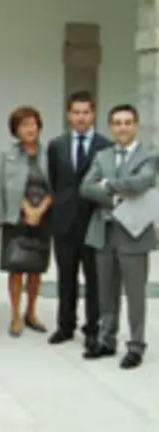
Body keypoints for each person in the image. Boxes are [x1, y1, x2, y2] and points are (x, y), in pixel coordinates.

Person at [80, 104, 157, 370]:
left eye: (127, 122)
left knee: (135, 294)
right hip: (104, 232)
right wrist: (117, 195)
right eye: (117, 123)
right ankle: (107, 339)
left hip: (134, 234)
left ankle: (136, 346)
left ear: (135, 125)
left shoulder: (149, 156)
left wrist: (109, 185)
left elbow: (144, 182)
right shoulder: (102, 156)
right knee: (106, 291)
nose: (122, 127)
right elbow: (86, 187)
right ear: (111, 127)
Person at [47, 91, 112, 348]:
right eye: (76, 112)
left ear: (93, 114)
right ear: (69, 115)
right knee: (66, 277)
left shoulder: (105, 146)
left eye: (86, 112)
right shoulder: (57, 145)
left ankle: (93, 327)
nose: (81, 117)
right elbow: (54, 181)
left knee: (94, 279)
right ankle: (65, 325)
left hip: (93, 222)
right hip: (64, 222)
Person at [0, 106, 53, 337]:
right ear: (15, 130)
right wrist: (21, 209)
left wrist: (41, 208)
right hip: (16, 218)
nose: (29, 129)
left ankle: (31, 311)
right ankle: (15, 314)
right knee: (15, 268)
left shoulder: (49, 153)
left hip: (43, 217)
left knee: (36, 269)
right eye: (24, 125)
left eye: (33, 124)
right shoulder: (7, 156)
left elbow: (56, 186)